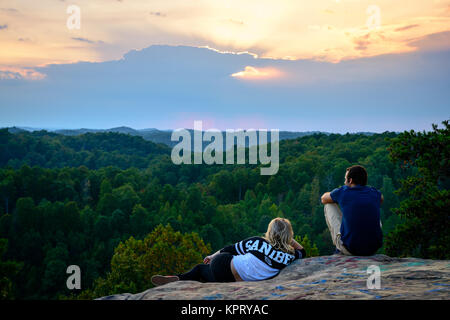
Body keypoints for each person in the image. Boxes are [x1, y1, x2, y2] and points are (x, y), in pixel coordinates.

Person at [151, 218, 306, 286]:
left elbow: (229, 249)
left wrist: (212, 256)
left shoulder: (258, 241)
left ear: (269, 232)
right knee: (203, 275)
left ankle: (177, 279)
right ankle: (180, 280)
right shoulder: (289, 256)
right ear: (289, 235)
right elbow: (302, 251)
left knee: (200, 269)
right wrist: (288, 239)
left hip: (224, 266)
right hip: (234, 277)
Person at [321, 165, 383, 256]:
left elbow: (323, 199)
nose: (344, 181)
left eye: (345, 179)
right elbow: (381, 199)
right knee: (369, 210)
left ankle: (339, 248)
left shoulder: (343, 192)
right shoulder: (374, 192)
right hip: (373, 249)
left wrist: (339, 198)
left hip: (351, 250)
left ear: (350, 180)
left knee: (329, 205)